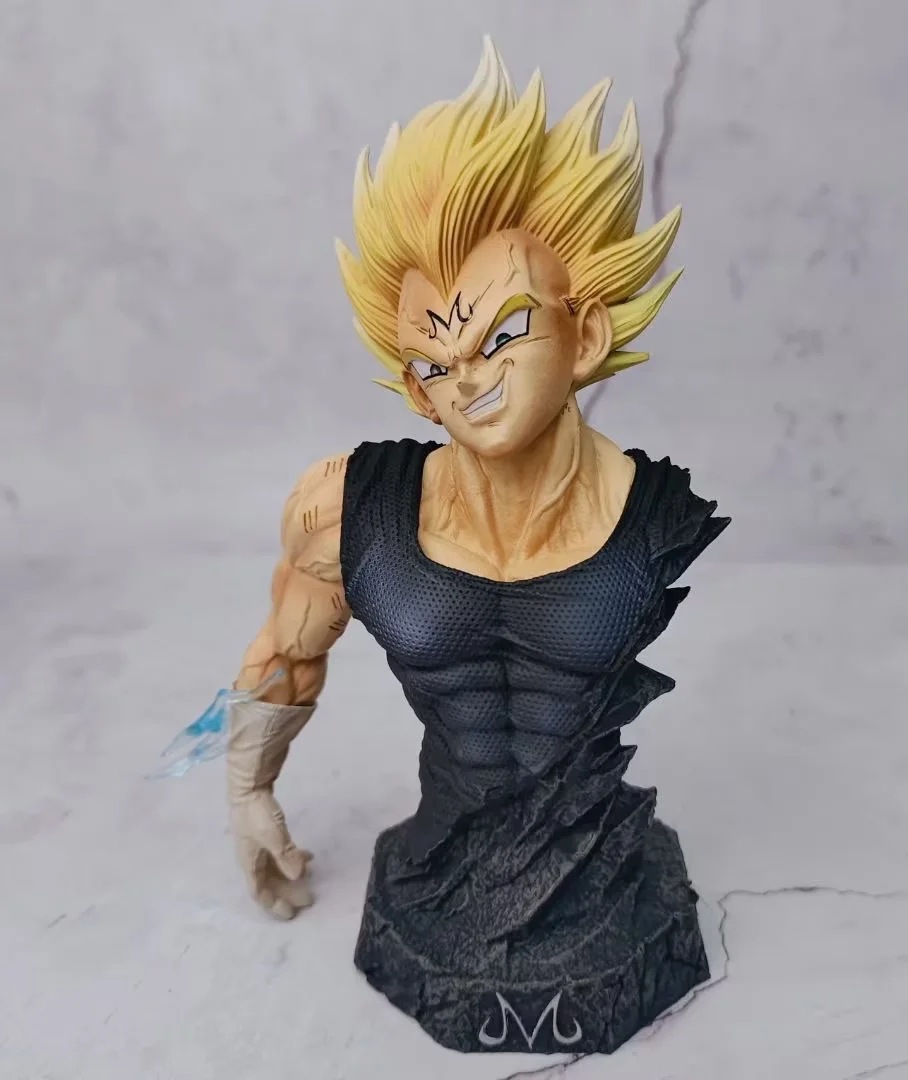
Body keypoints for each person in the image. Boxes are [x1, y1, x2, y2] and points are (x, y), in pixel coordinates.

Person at [222, 37, 729, 1055]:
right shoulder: (345, 507)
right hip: (429, 879)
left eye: (501, 335)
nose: (469, 378)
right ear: (416, 390)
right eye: (434, 360)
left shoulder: (656, 514)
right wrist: (247, 787)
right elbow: (289, 648)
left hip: (607, 884)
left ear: (585, 338)